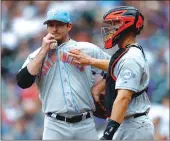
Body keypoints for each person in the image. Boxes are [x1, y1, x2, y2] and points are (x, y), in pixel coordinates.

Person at [16, 9, 111, 140]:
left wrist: (99, 88)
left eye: (59, 24)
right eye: (51, 25)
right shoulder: (37, 55)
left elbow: (116, 66)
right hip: (55, 126)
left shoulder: (87, 49)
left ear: (69, 26)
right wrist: (43, 51)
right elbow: (22, 82)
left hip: (85, 123)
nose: (54, 29)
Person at [68, 6, 154, 140]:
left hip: (132, 126)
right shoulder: (127, 53)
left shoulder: (131, 58)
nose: (110, 29)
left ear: (126, 26)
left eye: (114, 24)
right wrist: (91, 65)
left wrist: (108, 134)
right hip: (126, 123)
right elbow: (116, 66)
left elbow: (124, 98)